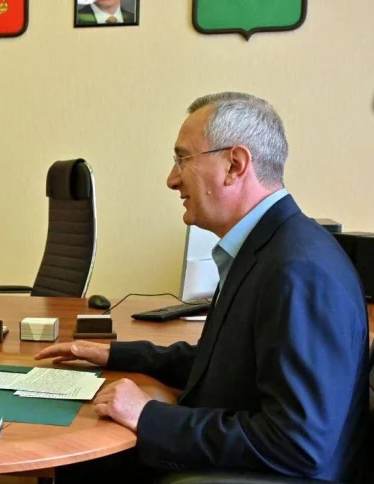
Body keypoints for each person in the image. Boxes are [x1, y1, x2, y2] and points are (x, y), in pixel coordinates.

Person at [36, 92, 369, 482]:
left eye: (183, 159)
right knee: (85, 448)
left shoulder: (298, 271)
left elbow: (298, 443)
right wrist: (115, 354)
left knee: (86, 455)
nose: (172, 179)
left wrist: (148, 416)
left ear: (234, 165)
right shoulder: (269, 247)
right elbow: (223, 364)